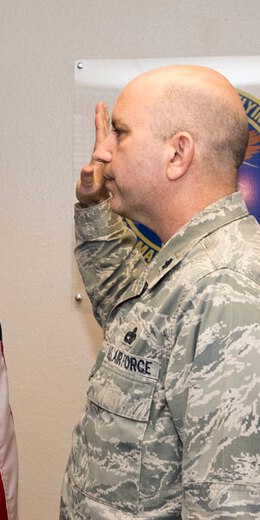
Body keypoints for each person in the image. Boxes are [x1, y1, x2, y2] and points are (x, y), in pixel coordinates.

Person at [61, 65, 260, 518]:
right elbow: (125, 312)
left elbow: (231, 506)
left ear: (177, 154)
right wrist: (95, 204)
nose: (103, 152)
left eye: (121, 132)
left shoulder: (226, 289)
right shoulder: (189, 266)